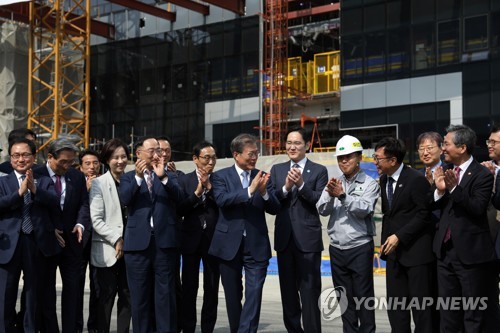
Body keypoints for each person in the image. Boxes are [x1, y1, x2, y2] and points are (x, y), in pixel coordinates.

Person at [209, 133, 279, 333]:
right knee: (233, 296)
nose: (254, 158)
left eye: (256, 153)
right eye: (250, 154)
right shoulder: (220, 177)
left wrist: (264, 192)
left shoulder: (263, 176)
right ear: (236, 155)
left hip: (256, 245)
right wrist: (250, 190)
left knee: (254, 293)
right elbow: (222, 200)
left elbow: (274, 207)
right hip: (228, 245)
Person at [432, 124, 496, 332]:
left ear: (462, 148)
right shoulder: (447, 173)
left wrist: (453, 189)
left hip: (470, 256)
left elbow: (477, 208)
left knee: (473, 314)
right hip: (445, 253)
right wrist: (440, 191)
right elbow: (439, 208)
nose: (442, 149)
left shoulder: (482, 175)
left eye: (447, 144)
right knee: (448, 313)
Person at [119, 137, 184, 333]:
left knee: (165, 296)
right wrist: (139, 178)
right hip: (138, 246)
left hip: (164, 244)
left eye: (159, 151)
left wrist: (163, 177)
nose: (158, 155)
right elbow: (124, 199)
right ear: (138, 154)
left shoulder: (169, 176)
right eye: (152, 151)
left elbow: (180, 198)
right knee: (139, 297)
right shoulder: (129, 177)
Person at [317, 135, 379, 333]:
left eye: (349, 156)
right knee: (343, 298)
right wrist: (329, 194)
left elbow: (364, 209)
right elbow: (322, 209)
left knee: (363, 298)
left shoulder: (370, 183)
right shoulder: (334, 182)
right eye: (340, 157)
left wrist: (343, 196)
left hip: (359, 247)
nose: (344, 161)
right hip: (337, 248)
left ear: (359, 157)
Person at [374, 137, 435, 332]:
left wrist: (399, 236)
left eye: (378, 158)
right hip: (394, 255)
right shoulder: (383, 180)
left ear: (393, 160)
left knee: (421, 310)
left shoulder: (416, 180)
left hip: (416, 254)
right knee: (396, 308)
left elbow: (423, 215)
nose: (375, 162)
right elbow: (389, 215)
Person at [269, 127, 328, 333]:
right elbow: (273, 202)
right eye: (289, 143)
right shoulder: (277, 170)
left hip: (308, 241)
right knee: (288, 292)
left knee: (310, 291)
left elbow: (319, 200)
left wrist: (302, 185)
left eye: (297, 143)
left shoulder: (319, 170)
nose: (292, 147)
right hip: (285, 239)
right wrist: (285, 187)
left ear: (307, 146)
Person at [0, 138, 59, 332]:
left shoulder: (44, 180)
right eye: (16, 155)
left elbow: (54, 201)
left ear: (34, 157)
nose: (21, 159)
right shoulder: (3, 181)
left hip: (35, 242)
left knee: (32, 294)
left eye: (25, 155)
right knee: (6, 293)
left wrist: (34, 189)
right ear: (10, 159)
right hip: (9, 245)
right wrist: (19, 193)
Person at [34, 138, 91, 333]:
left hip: (72, 242)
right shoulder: (36, 175)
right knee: (47, 293)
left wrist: (80, 223)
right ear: (50, 157)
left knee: (73, 291)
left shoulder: (75, 176)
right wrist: (50, 229)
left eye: (71, 162)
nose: (67, 166)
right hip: (46, 242)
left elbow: (84, 203)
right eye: (63, 162)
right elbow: (35, 209)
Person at [177, 141, 220, 333]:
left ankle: (207, 329)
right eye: (206, 158)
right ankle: (187, 328)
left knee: (211, 288)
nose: (210, 162)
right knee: (189, 288)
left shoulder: (220, 180)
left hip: (212, 239)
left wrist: (210, 188)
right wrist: (197, 194)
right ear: (195, 159)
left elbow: (224, 205)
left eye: (213, 158)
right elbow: (180, 209)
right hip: (190, 239)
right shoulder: (184, 181)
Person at [89, 139, 131, 333]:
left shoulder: (132, 181)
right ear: (107, 160)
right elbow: (96, 219)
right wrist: (116, 238)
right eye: (115, 157)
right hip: (107, 250)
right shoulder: (99, 183)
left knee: (127, 297)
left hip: (130, 250)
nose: (120, 161)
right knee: (105, 299)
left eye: (123, 156)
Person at [157, 135, 184, 333]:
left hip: (171, 239)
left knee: (173, 286)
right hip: (147, 240)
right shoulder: (142, 174)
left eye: (167, 150)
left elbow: (182, 201)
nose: (164, 153)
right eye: (160, 150)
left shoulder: (177, 175)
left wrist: (168, 178)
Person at [76, 149, 101, 333]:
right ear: (80, 166)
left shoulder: (106, 182)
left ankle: (95, 327)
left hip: (100, 240)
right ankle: (76, 325)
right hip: (79, 241)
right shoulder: (75, 183)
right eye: (87, 163)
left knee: (98, 287)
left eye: (95, 163)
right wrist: (85, 189)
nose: (92, 167)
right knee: (76, 287)